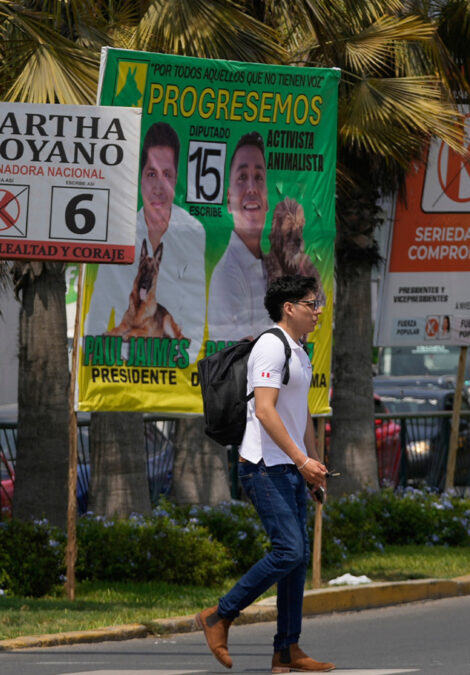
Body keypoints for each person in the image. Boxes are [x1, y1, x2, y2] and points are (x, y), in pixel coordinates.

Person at [195, 274, 334, 673]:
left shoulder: (299, 350)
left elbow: (300, 414)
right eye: (311, 304)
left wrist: (312, 465)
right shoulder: (272, 346)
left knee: (296, 560)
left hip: (288, 467)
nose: (317, 311)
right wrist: (301, 460)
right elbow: (266, 411)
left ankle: (287, 649)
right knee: (288, 550)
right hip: (262, 467)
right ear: (289, 308)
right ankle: (219, 615)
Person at [84, 121, 205, 360]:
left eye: (167, 175)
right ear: (139, 178)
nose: (159, 187)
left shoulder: (193, 232)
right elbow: (97, 315)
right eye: (151, 174)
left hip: (174, 364)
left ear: (176, 180)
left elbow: (196, 320)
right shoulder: (118, 231)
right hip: (122, 366)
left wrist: (179, 361)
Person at [208, 131, 272, 342]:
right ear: (229, 200)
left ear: (267, 200)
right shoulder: (226, 274)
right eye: (242, 177)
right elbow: (241, 351)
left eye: (259, 178)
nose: (252, 188)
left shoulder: (271, 268)